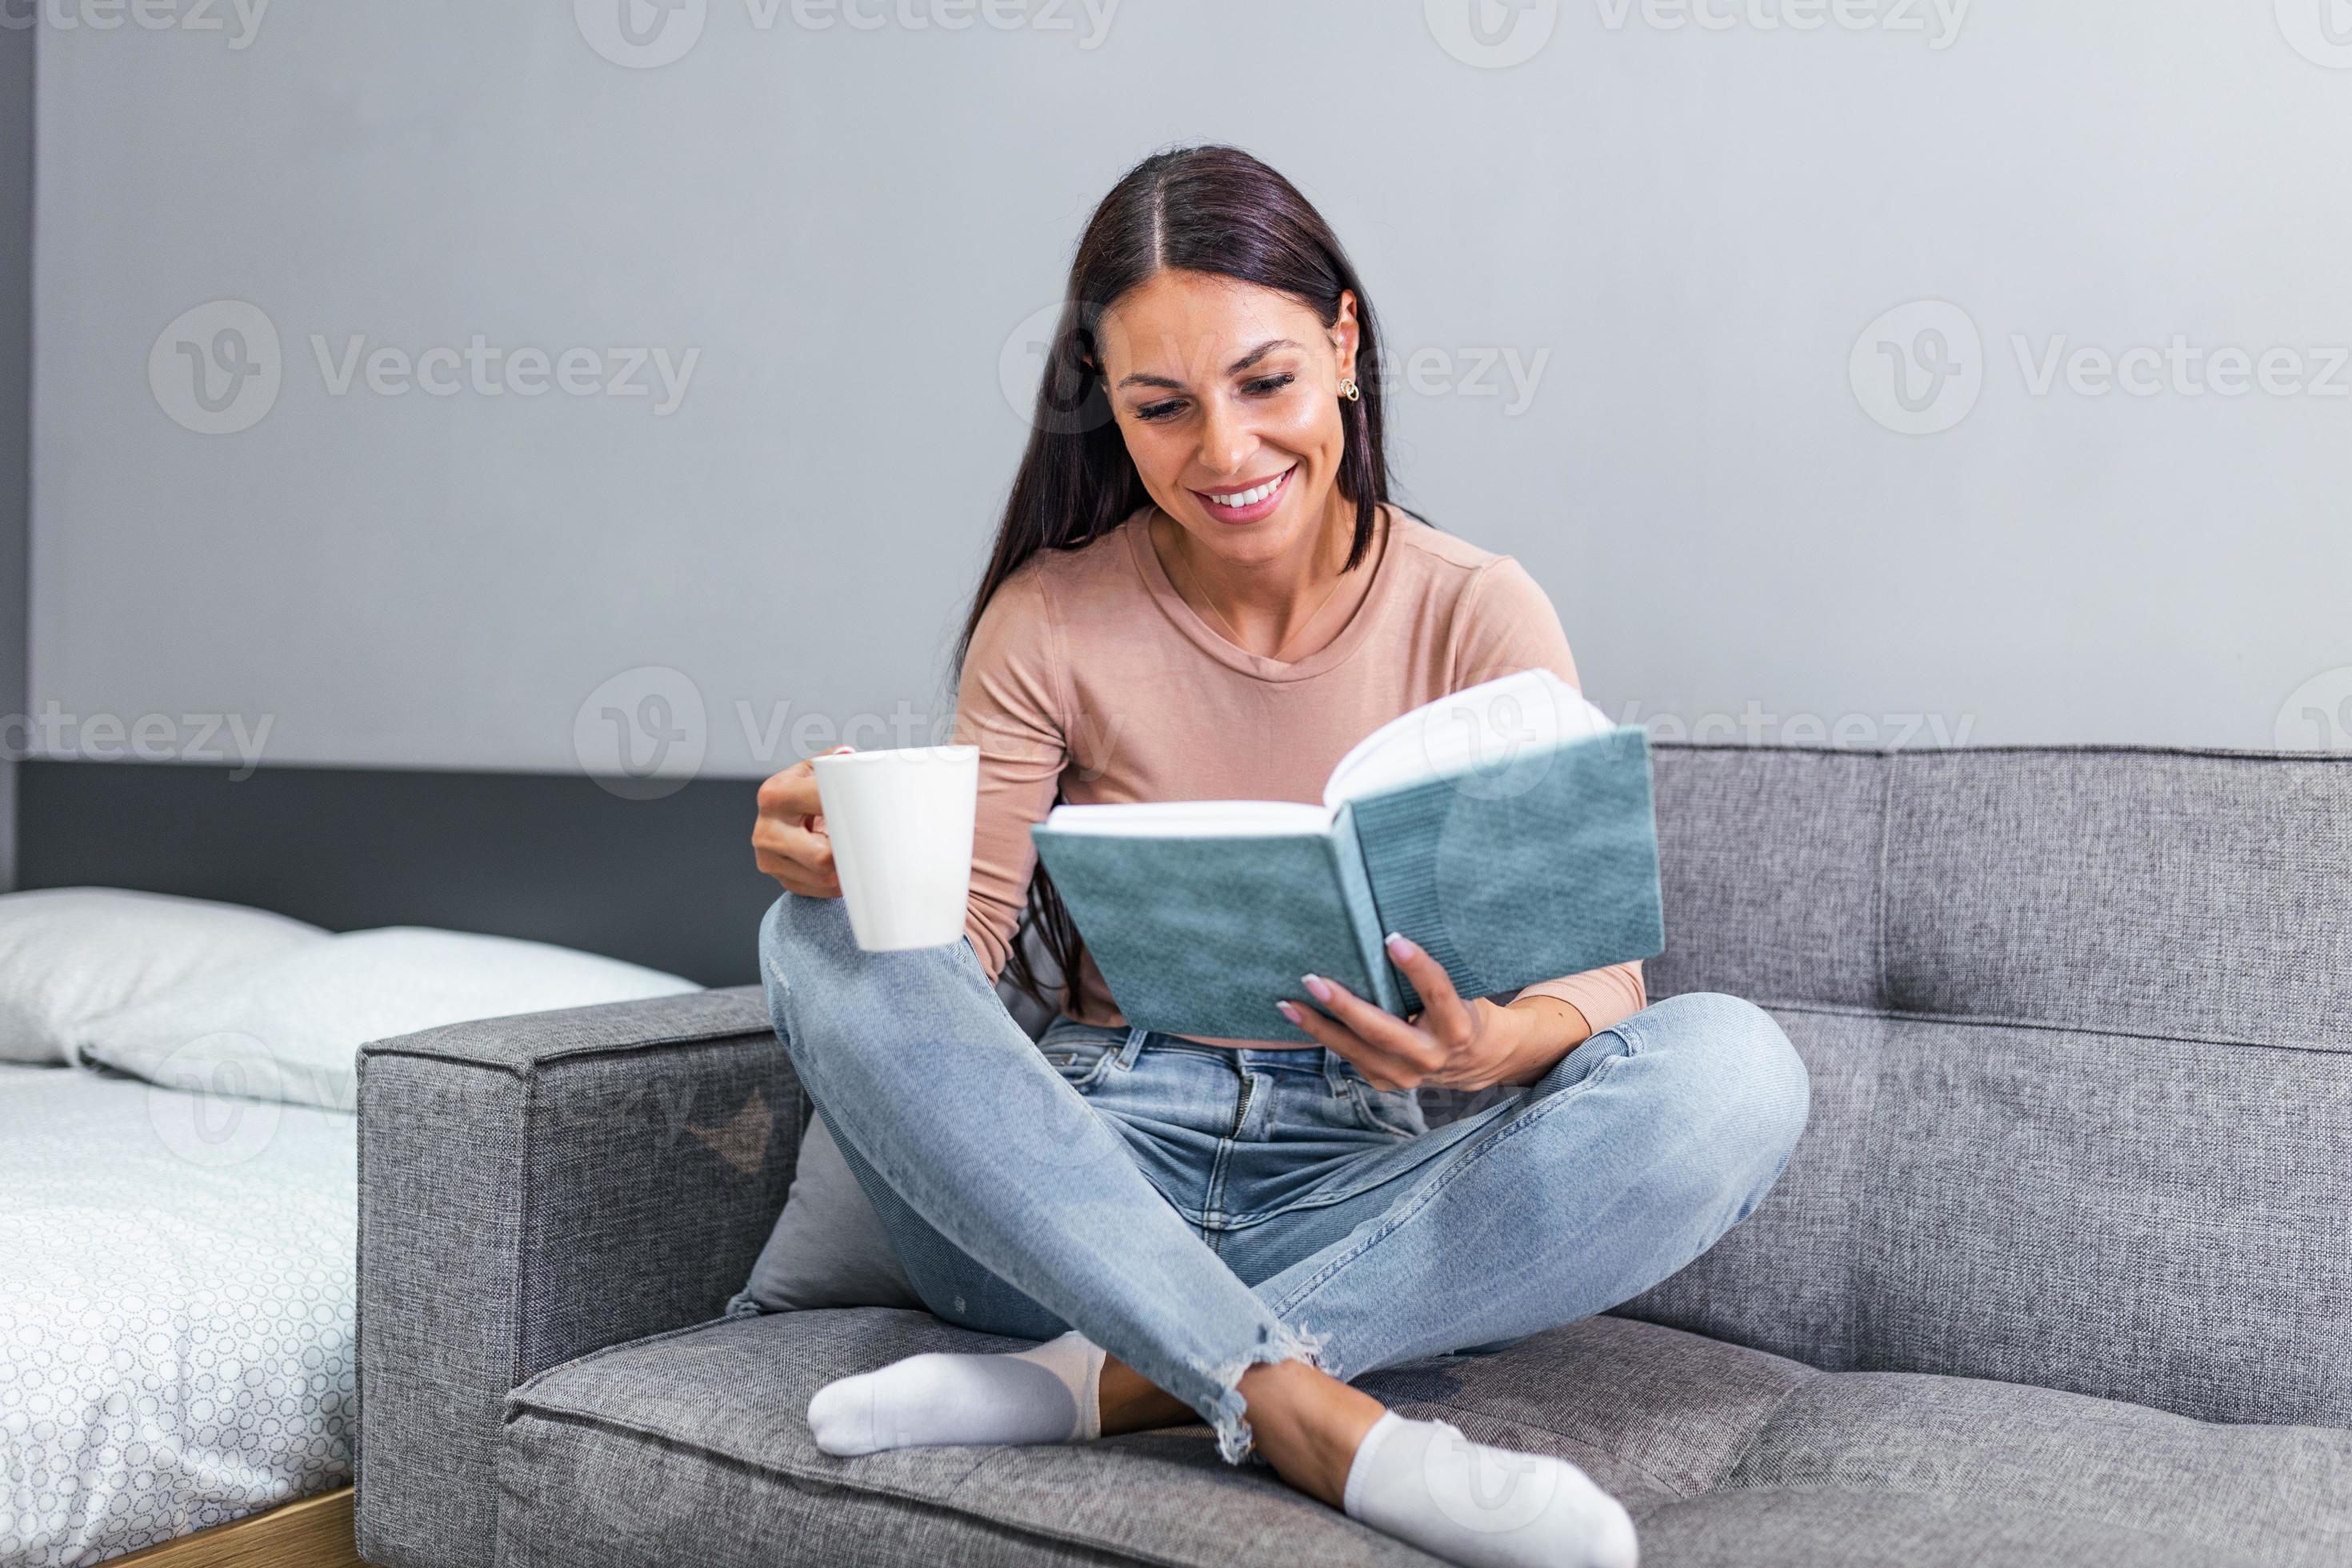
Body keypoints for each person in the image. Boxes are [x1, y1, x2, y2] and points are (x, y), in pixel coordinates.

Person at [751, 143, 1809, 1568]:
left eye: (1266, 384)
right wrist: (851, 871)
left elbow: (1602, 977)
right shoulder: (1050, 619)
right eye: (1163, 408)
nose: (1228, 454)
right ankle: (1302, 1408)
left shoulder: (1477, 612)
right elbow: (964, 951)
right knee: (808, 940)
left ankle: (1110, 1378)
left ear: (1344, 347)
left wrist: (1487, 1048)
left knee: (1737, 1072)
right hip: (1068, 1178)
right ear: (1108, 411)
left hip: (1349, 1180)